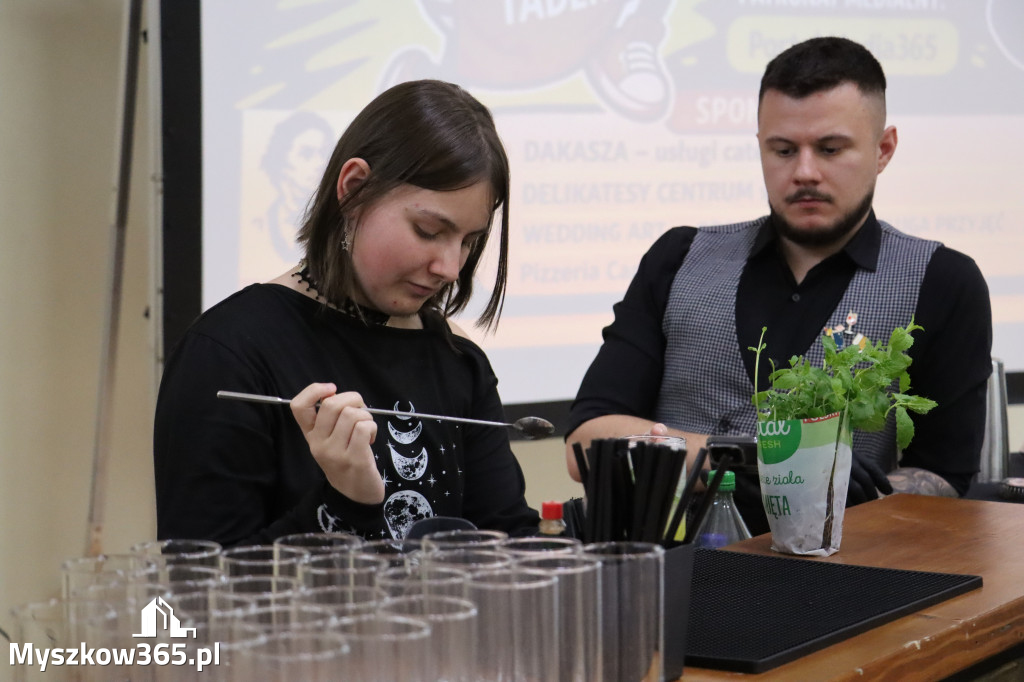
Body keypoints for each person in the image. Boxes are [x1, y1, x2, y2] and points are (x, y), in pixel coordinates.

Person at [564, 37, 993, 535]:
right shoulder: (678, 258)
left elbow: (946, 477)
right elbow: (586, 445)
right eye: (783, 150)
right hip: (666, 576)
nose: (804, 172)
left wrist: (865, 496)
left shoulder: (943, 281)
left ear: (884, 149)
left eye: (830, 149)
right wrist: (757, 461)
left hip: (842, 583)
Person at [154, 80, 540, 545]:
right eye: (428, 230)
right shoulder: (228, 355)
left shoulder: (457, 363)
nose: (451, 267)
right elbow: (200, 592)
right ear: (354, 190)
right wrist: (345, 500)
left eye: (469, 241)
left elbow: (508, 544)